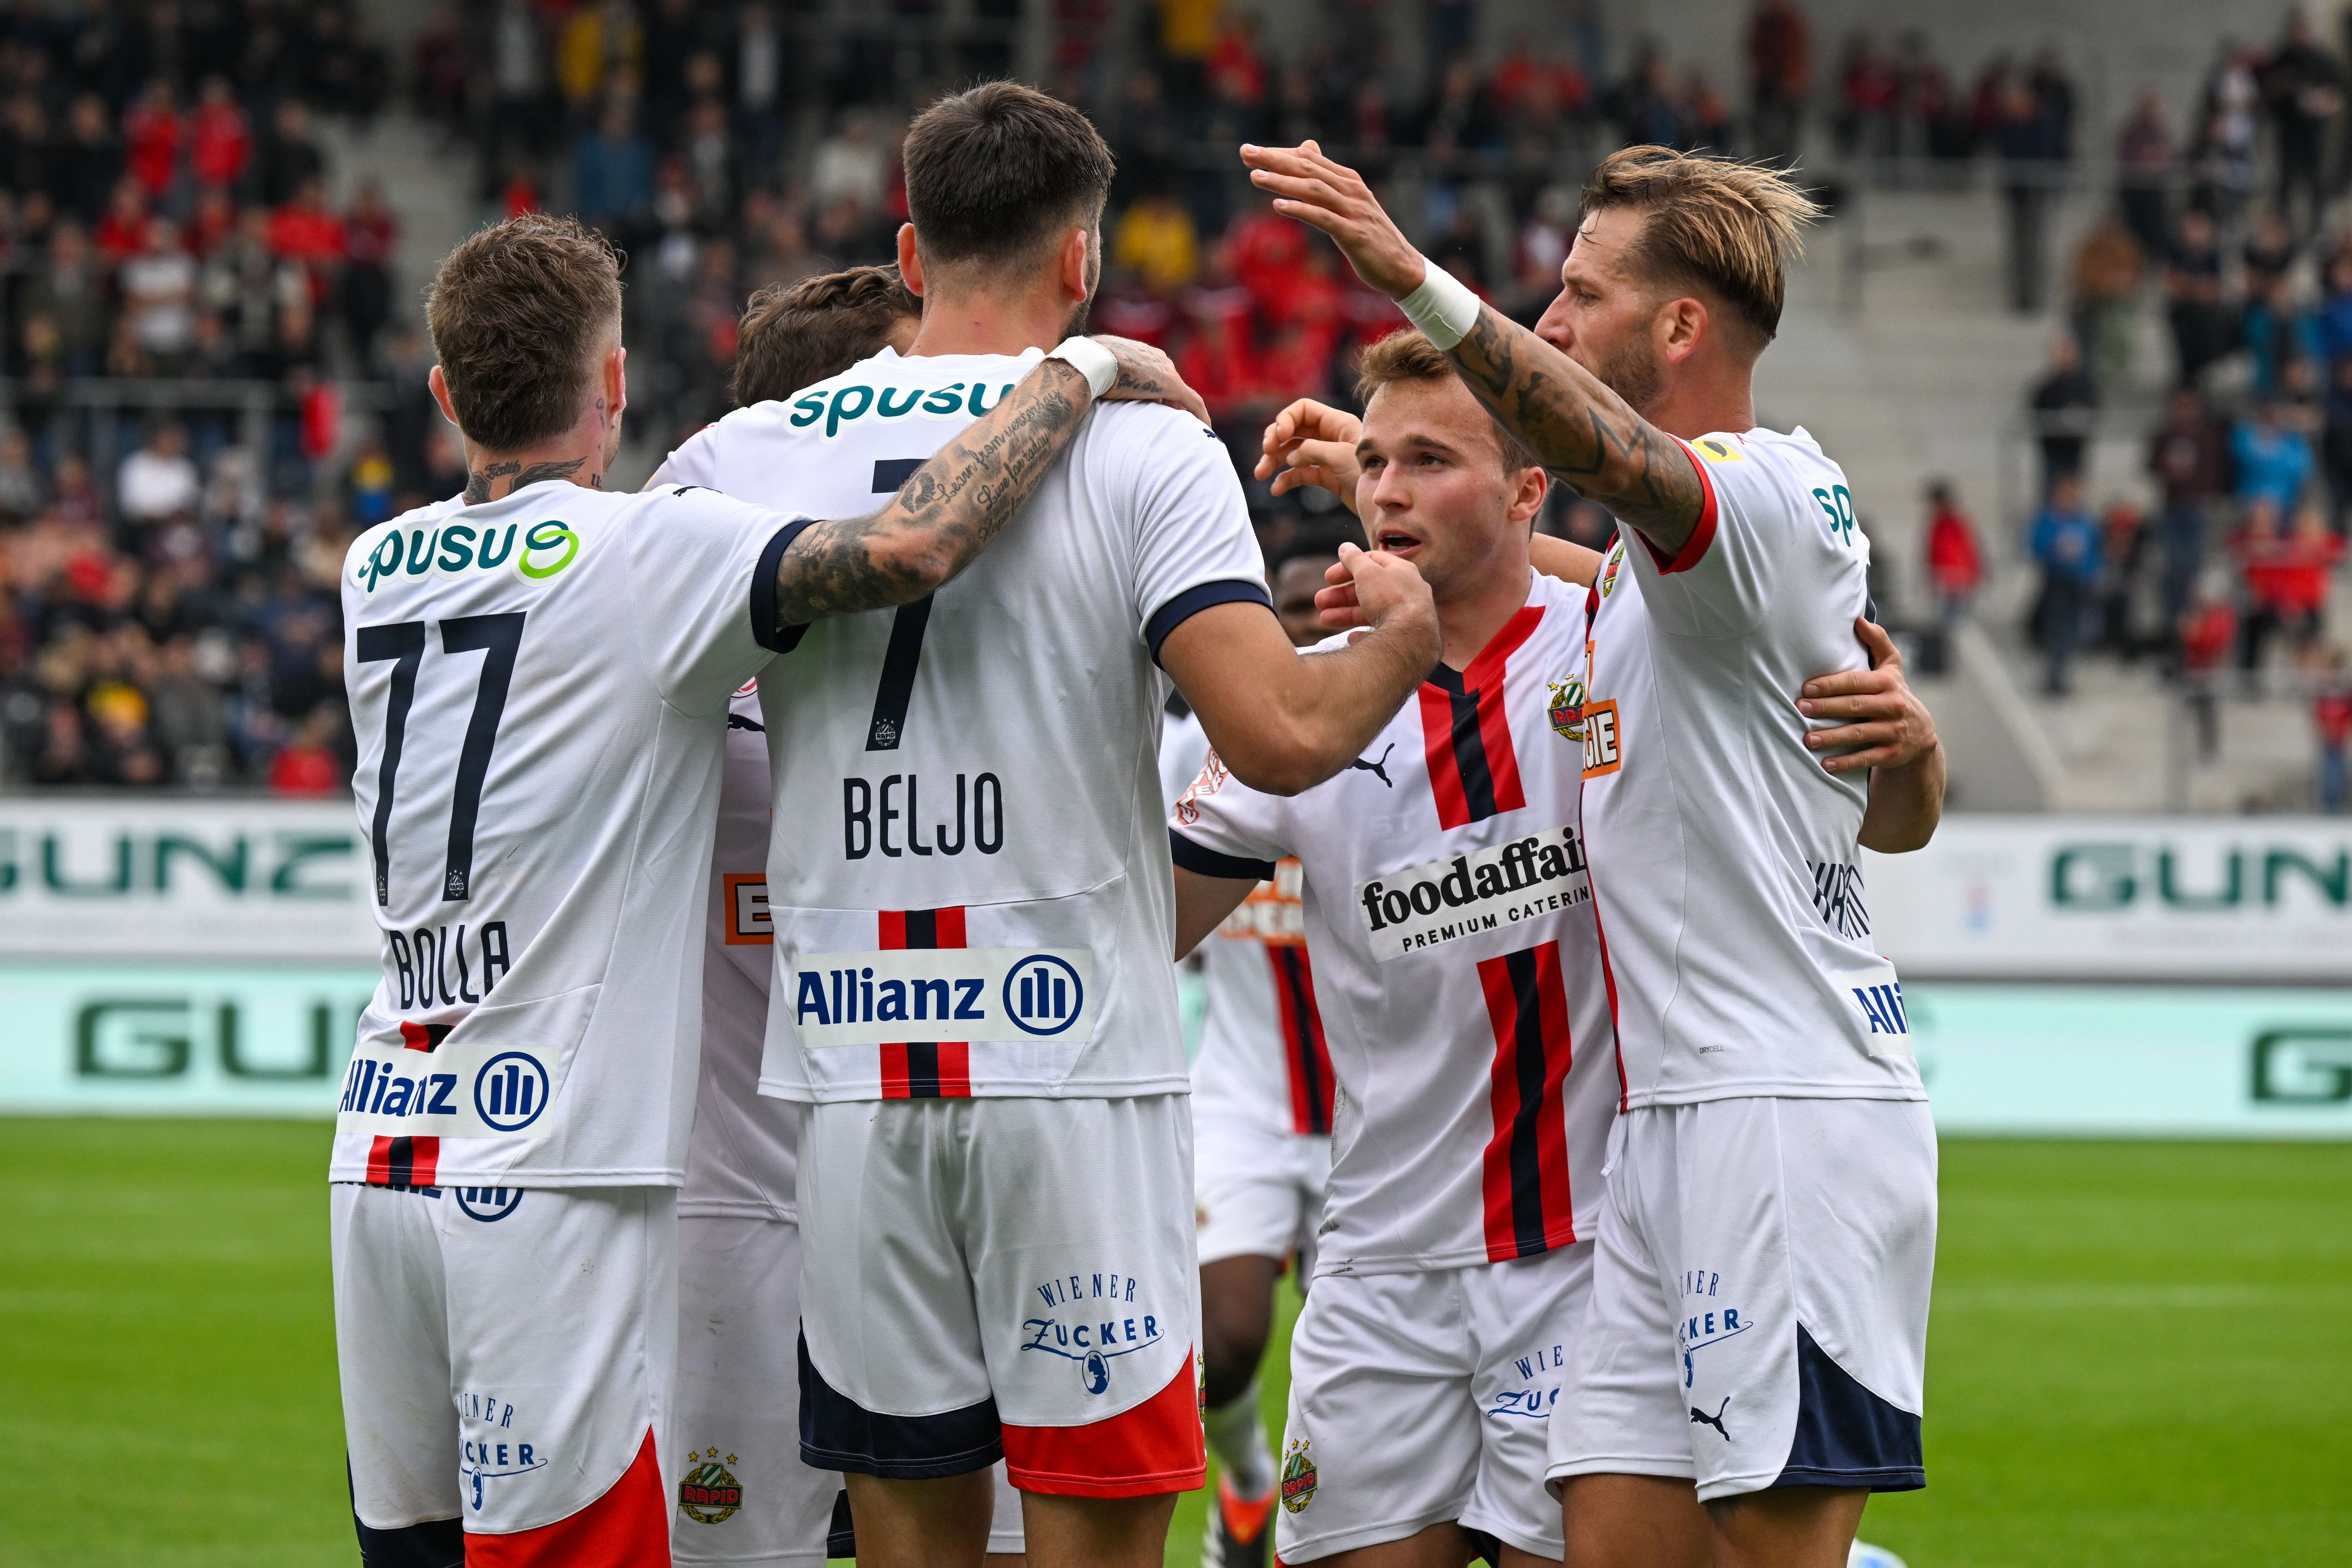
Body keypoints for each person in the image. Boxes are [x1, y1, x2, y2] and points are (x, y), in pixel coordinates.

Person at [652, 85, 1442, 1568]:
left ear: (909, 244)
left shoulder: (732, 460)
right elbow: (1276, 734)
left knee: (908, 1533)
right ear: (1082, 259)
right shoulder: (1146, 449)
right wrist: (1397, 637)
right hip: (1071, 1073)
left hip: (851, 1076)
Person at [328, 211, 1185, 1567]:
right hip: (579, 1164)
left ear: (442, 394)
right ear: (614, 383)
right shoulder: (654, 554)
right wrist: (1073, 374)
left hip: (386, 1135)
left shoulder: (374, 566)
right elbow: (906, 544)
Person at [1240, 138, 1946, 1568]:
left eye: (1578, 294)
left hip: (1781, 1109)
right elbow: (1569, 565)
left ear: (1677, 327)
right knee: (1613, 1533)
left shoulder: (1761, 491)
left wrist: (1411, 282)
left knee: (1769, 1547)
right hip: (1662, 1139)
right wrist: (1411, 480)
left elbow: (1605, 455)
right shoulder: (1655, 570)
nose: (1551, 321)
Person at [1171, 330, 1623, 1568]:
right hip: (1376, 1274)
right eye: (1372, 462)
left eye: (1430, 459)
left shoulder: (1611, 644)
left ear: (1529, 489)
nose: (1384, 490)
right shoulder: (1312, 697)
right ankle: (1241, 1482)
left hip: (1583, 1256)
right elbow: (1142, 926)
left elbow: (1703, 575)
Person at [1160, 529, 1351, 1568]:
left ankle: (1318, 1532)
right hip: (1239, 1096)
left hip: (1375, 1113)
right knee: (1224, 1341)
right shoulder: (1187, 752)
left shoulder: (1395, 742)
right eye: (1285, 614)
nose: (1305, 632)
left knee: (1355, 1376)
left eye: (1320, 611)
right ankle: (1243, 1484)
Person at [2030, 473, 2100, 696]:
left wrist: (2088, 568)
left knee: (2076, 628)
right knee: (2056, 629)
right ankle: (2054, 675)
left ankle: (2064, 672)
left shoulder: (2084, 522)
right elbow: (2037, 546)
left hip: (2078, 583)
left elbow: (2094, 552)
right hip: (2057, 581)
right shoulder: (2048, 520)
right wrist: (2057, 551)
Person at [1923, 480, 1982, 626]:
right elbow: (1932, 550)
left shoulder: (1954, 519)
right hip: (1947, 574)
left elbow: (1969, 546)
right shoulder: (1939, 521)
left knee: (1956, 620)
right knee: (1948, 618)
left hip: (1956, 574)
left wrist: (1975, 571)